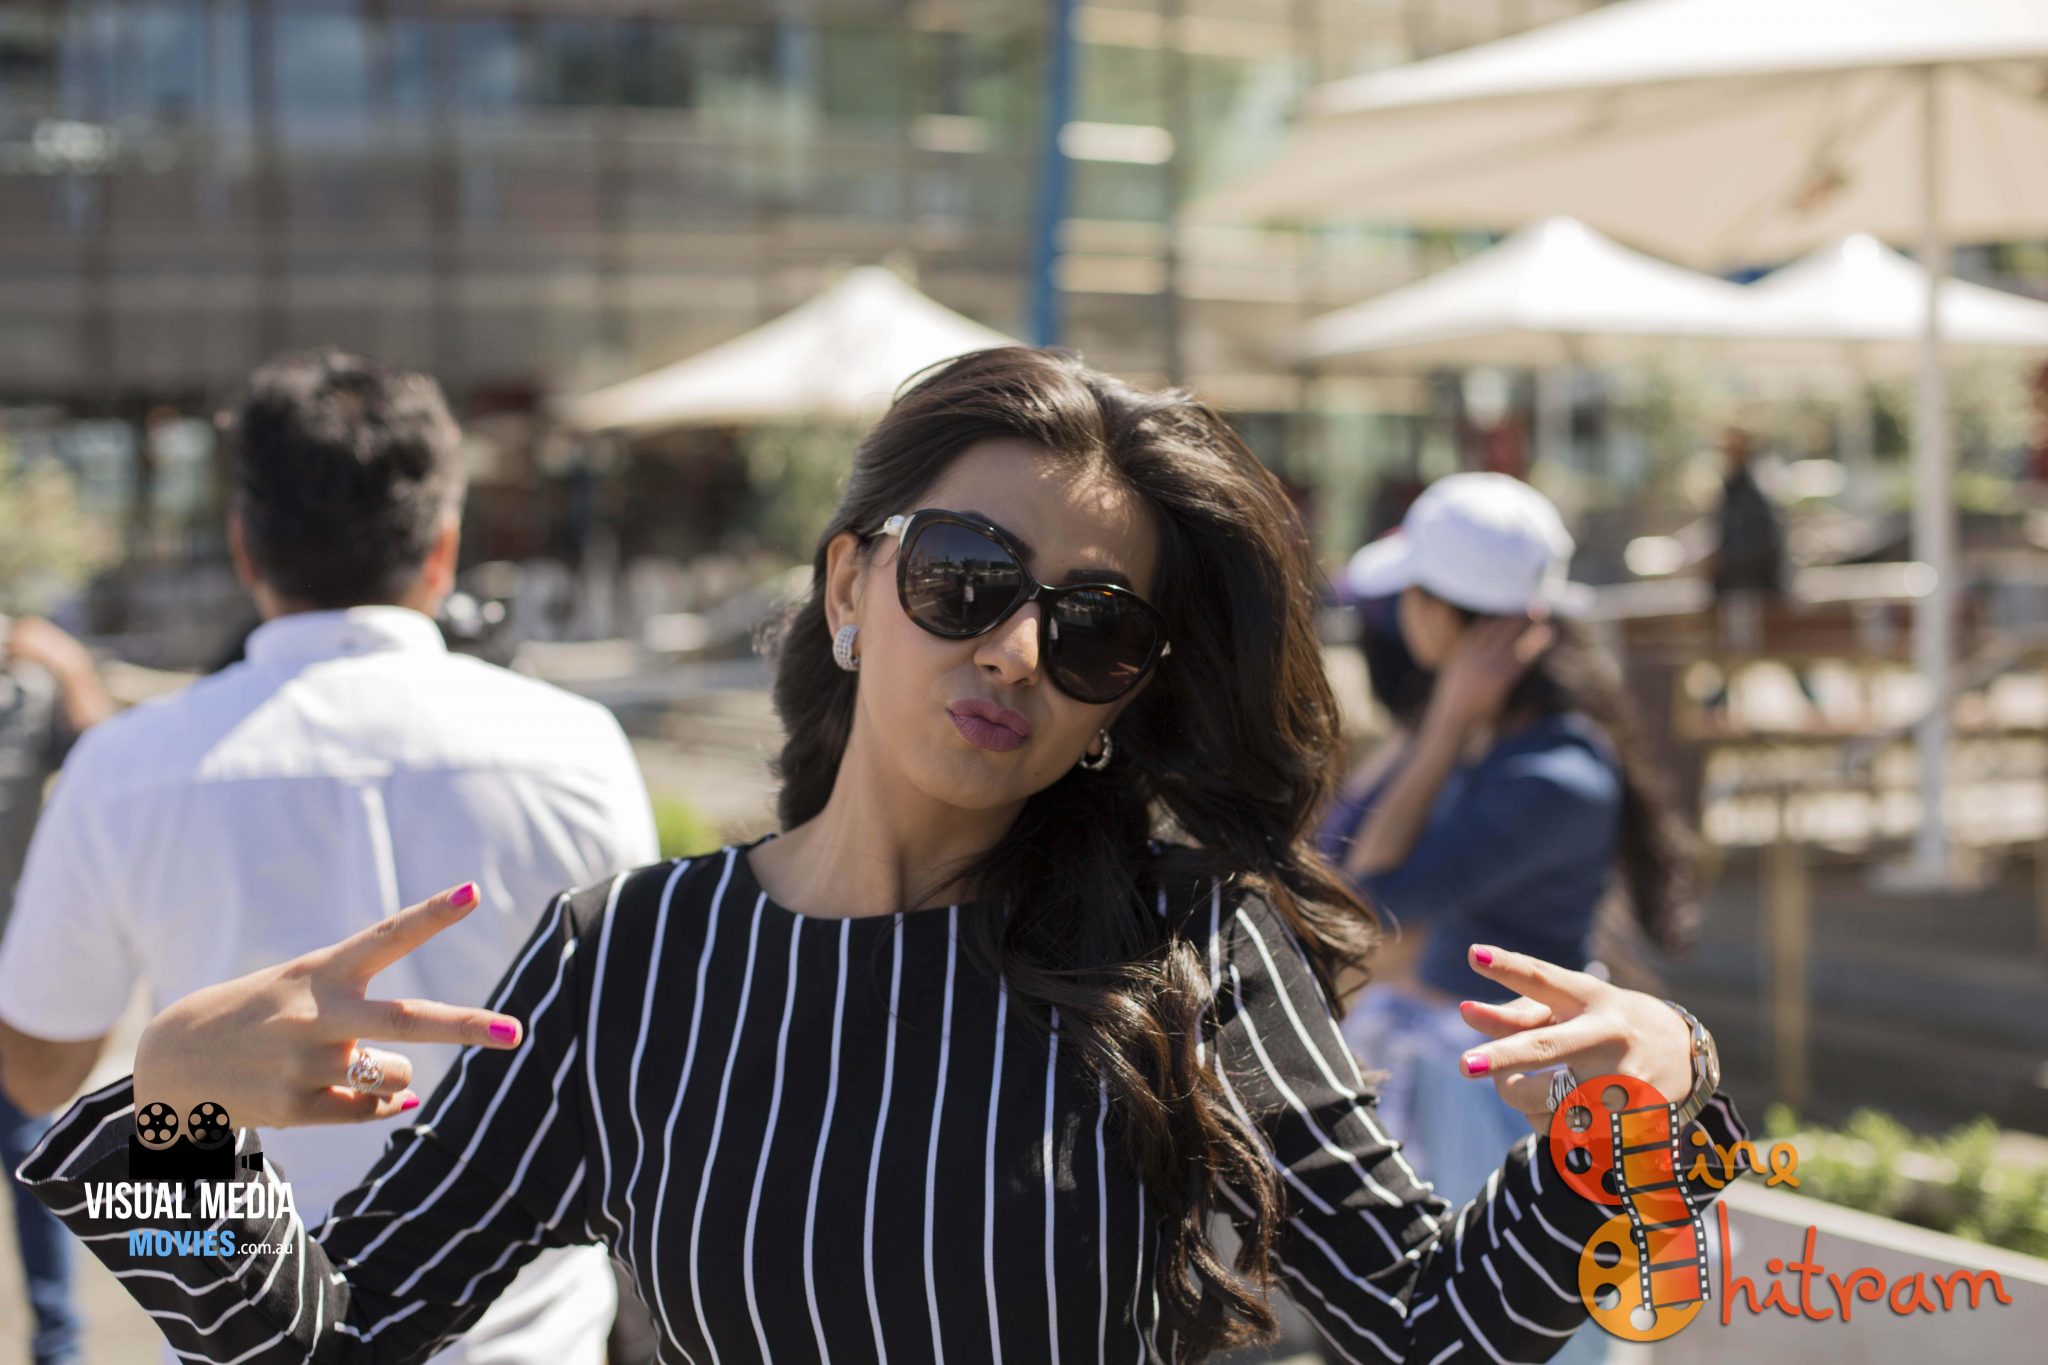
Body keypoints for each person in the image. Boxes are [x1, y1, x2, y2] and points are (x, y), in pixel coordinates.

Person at [18, 348, 1748, 1364]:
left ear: (1121, 702)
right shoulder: (636, 961)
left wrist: (1657, 1105)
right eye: (964, 579)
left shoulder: (1186, 948)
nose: (1014, 651)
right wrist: (173, 1121)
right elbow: (330, 1336)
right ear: (852, 586)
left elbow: (1436, 1327)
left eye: (1093, 629)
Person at [0, 349, 656, 1365]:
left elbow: (37, 1072)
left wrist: (180, 1081)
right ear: (443, 548)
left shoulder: (125, 768)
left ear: (244, 546)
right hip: (528, 1335)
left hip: (237, 1329)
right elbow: (631, 1062)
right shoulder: (578, 749)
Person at [1318, 475, 1702, 1246]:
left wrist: (1444, 723)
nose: (1399, 613)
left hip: (1511, 1100)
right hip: (1474, 1074)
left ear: (1442, 614)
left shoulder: (1547, 776)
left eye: (1412, 594)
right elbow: (1337, 850)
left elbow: (1363, 897)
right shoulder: (1500, 738)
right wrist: (1442, 720)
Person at [0, 614, 113, 1365]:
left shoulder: (29, 692)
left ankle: (58, 1343)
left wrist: (72, 670)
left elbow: (107, 765)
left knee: (29, 1149)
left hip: (11, 973)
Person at [1707, 425, 1785, 658]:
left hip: (1750, 586)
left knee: (1746, 647)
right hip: (1742, 584)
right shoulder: (1733, 489)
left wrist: (1721, 563)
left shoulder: (1753, 490)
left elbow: (1755, 542)